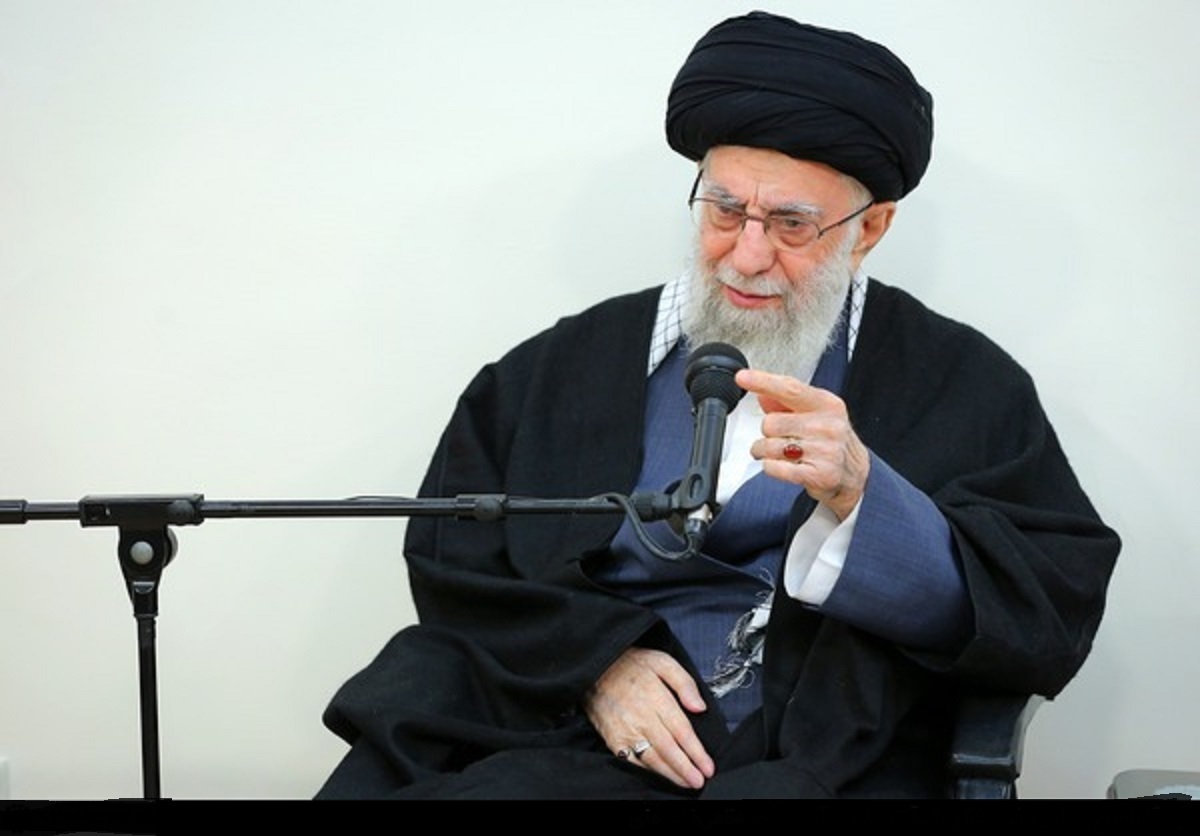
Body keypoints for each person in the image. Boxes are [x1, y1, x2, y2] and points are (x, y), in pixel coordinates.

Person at [314, 11, 1120, 799]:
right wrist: (595, 666)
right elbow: (454, 560)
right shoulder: (554, 370)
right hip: (558, 727)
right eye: (726, 210)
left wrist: (864, 496)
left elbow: (1046, 611)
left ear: (870, 228)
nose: (748, 254)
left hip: (820, 750)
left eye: (792, 224)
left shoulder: (961, 382)